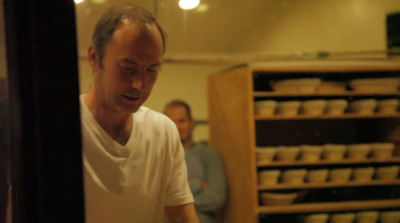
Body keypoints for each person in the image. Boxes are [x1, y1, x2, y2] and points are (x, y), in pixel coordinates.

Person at [80, 4, 199, 223]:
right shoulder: (58, 126)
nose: (140, 84)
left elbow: (182, 217)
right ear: (94, 58)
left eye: (152, 70)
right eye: (128, 69)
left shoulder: (162, 132)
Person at [164, 100, 227, 223]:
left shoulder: (209, 155)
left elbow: (216, 198)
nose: (177, 127)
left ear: (191, 122)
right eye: (171, 122)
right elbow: (154, 198)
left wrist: (172, 202)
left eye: (181, 121)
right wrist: (197, 184)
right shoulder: (159, 156)